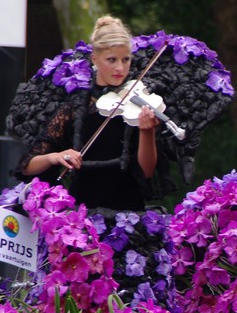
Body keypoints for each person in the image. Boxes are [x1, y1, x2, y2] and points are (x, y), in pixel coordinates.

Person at [19, 15, 159, 210]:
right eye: (112, 60)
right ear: (95, 59)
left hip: (128, 210)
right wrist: (56, 156)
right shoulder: (75, 107)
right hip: (81, 211)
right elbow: (27, 165)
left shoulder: (136, 105)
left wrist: (147, 131)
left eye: (126, 59)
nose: (120, 68)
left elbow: (146, 171)